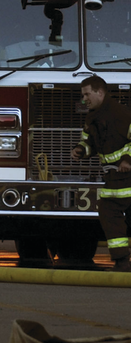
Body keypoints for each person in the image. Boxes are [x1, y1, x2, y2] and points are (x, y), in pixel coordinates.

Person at [72, 74, 131, 272]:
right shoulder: (92, 117)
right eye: (82, 95)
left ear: (100, 92)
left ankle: (122, 261)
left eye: (87, 94)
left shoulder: (121, 114)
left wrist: (128, 160)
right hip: (114, 176)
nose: (84, 99)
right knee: (109, 211)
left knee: (109, 211)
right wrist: (81, 150)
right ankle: (122, 261)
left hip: (126, 176)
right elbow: (89, 141)